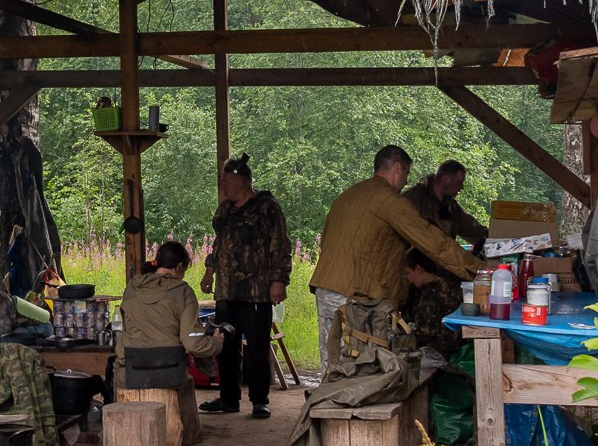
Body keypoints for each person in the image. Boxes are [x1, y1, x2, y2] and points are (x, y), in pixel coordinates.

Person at [311, 145, 475, 374]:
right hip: (353, 296)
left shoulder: (349, 195)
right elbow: (433, 242)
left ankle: (324, 408)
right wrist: (479, 270)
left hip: (327, 287)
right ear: (397, 167)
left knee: (331, 364)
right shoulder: (390, 201)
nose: (407, 181)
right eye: (407, 173)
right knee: (356, 368)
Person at [199, 153, 289, 419]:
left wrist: (279, 280)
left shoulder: (267, 207)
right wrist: (209, 272)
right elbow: (218, 244)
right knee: (225, 344)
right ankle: (229, 398)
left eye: (226, 180)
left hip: (256, 290)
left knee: (259, 347)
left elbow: (281, 245)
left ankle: (260, 400)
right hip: (227, 290)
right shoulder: (225, 210)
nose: (223, 185)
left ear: (241, 181)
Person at [118, 240, 222, 387]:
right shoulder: (184, 292)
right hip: (169, 373)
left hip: (131, 371)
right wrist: (217, 343)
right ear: (179, 267)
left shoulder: (131, 287)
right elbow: (193, 344)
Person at [406, 159, 489, 248]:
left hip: (441, 258)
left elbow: (474, 230)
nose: (462, 187)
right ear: (446, 179)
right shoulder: (414, 198)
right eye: (459, 182)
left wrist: (498, 239)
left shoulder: (451, 206)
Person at [400, 252, 463, 361]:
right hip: (456, 347)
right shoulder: (448, 285)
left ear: (419, 269)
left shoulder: (431, 293)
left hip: (439, 351)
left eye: (409, 272)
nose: (409, 278)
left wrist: (403, 334)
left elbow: (426, 332)